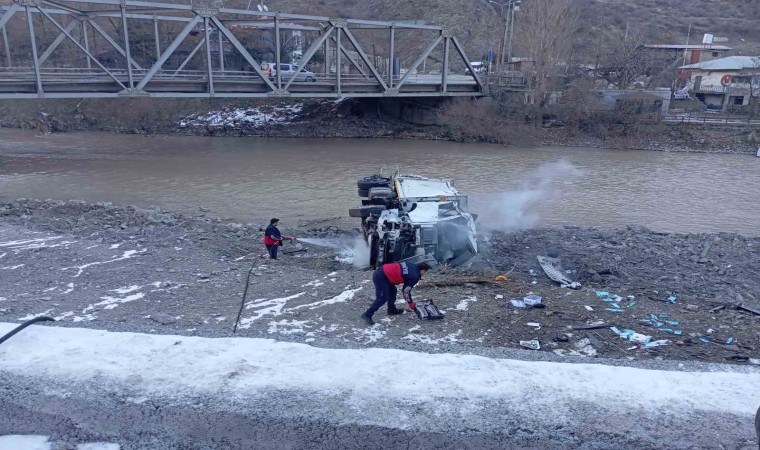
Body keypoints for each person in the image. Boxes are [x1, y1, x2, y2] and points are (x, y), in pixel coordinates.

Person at [362, 261, 431, 326]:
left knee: (393, 291)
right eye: (425, 272)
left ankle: (391, 310)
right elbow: (406, 290)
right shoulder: (415, 276)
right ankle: (367, 314)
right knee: (382, 298)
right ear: (422, 270)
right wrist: (410, 303)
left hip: (383, 272)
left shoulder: (412, 265)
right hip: (381, 276)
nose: (425, 274)